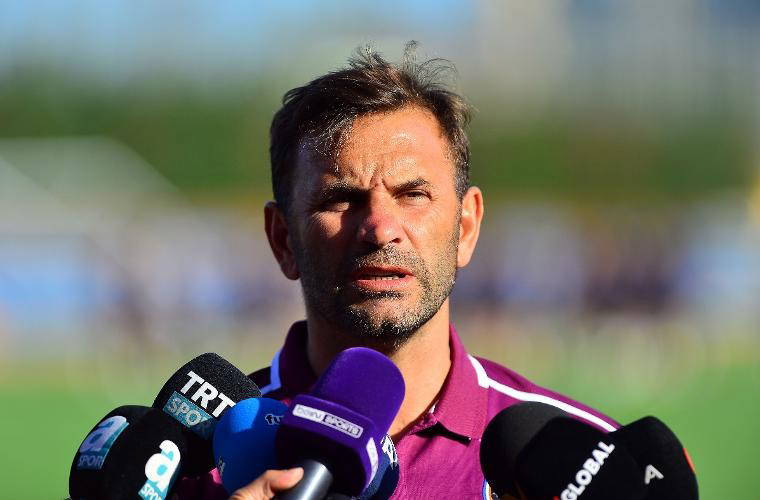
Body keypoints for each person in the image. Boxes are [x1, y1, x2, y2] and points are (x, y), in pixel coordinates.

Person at [176, 43, 617, 500]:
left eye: (413, 195)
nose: (381, 228)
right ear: (283, 239)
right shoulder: (188, 470)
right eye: (341, 199)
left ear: (466, 227)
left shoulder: (583, 468)